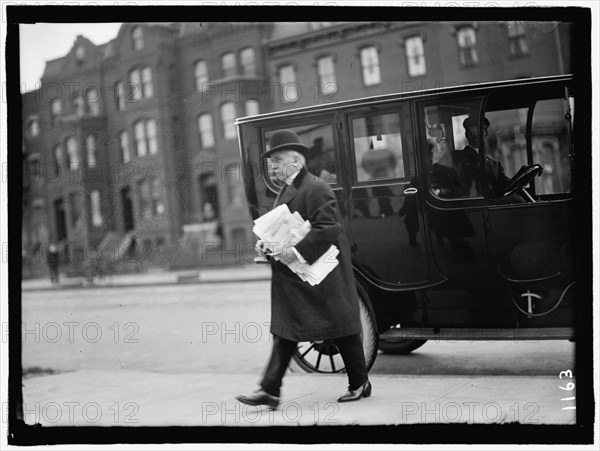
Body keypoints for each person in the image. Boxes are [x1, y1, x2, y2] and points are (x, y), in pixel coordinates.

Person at [235, 129, 371, 410]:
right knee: (286, 330)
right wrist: (267, 246)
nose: (273, 166)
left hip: (321, 276)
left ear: (296, 159)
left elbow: (329, 228)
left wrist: (295, 251)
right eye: (271, 161)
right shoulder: (288, 189)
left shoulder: (316, 187)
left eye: (278, 159)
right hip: (299, 276)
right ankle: (270, 390)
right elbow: (283, 227)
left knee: (342, 328)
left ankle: (359, 383)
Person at [456, 116, 525, 204]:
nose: (477, 134)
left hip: (492, 204)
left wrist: (522, 173)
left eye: (481, 130)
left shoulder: (495, 164)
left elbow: (506, 186)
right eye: (473, 131)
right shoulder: (461, 159)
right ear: (467, 135)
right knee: (517, 200)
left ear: (486, 133)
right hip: (479, 204)